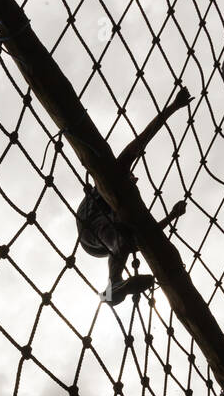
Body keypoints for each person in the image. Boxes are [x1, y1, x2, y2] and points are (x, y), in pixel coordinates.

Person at [76, 86, 193, 305]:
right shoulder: (116, 172)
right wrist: (173, 107)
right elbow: (144, 138)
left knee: (130, 236)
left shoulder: (126, 200)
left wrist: (173, 215)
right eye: (132, 178)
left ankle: (112, 289)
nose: (134, 179)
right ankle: (114, 282)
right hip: (89, 223)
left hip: (102, 237)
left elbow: (146, 236)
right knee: (123, 236)